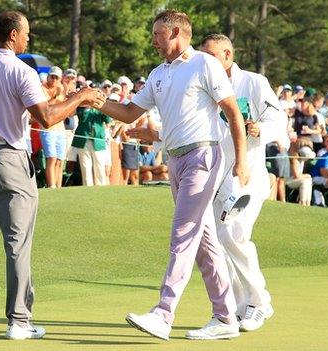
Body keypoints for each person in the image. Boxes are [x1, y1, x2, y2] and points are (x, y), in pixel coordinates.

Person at [0, 10, 104, 341]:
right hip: (10, 159)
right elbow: (47, 117)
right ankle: (19, 322)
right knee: (17, 243)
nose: (28, 38)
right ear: (12, 35)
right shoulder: (21, 71)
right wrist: (81, 97)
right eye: (25, 33)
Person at [99, 10, 248, 340]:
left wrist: (242, 162)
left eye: (157, 34)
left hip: (203, 156)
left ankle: (163, 313)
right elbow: (127, 112)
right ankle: (225, 318)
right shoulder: (158, 74)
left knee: (182, 234)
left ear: (178, 32)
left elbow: (233, 112)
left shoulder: (204, 64)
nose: (152, 40)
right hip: (176, 161)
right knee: (204, 243)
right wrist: (96, 100)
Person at [198, 33, 287, 331]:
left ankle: (259, 302)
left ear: (227, 55)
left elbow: (279, 119)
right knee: (219, 244)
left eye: (211, 55)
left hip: (248, 175)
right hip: (215, 178)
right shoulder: (202, 85)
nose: (205, 61)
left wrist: (260, 128)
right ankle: (241, 306)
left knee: (233, 234)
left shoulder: (253, 81)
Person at [40, 66, 67, 188]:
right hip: (47, 129)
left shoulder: (61, 90)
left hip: (60, 129)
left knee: (60, 160)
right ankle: (51, 186)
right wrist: (55, 97)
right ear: (48, 76)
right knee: (52, 158)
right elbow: (44, 108)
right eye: (52, 76)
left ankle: (58, 187)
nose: (54, 79)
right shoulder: (41, 89)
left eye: (57, 77)